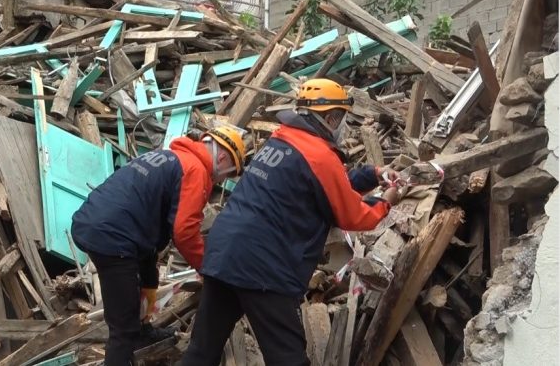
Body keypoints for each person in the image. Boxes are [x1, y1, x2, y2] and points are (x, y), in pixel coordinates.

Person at [181, 79, 403, 366]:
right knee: (288, 359)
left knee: (202, 351)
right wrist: (386, 200)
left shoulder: (281, 140)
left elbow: (321, 190)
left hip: (223, 254)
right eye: (343, 118)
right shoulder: (320, 155)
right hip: (264, 266)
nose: (344, 125)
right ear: (331, 117)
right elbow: (353, 215)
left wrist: (372, 174)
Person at [71, 125, 246, 366]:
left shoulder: (170, 156)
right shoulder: (196, 171)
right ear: (223, 158)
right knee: (123, 327)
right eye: (228, 173)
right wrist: (206, 267)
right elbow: (184, 231)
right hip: (113, 238)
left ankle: (143, 330)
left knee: (149, 271)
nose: (223, 179)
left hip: (98, 221)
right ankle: (127, 345)